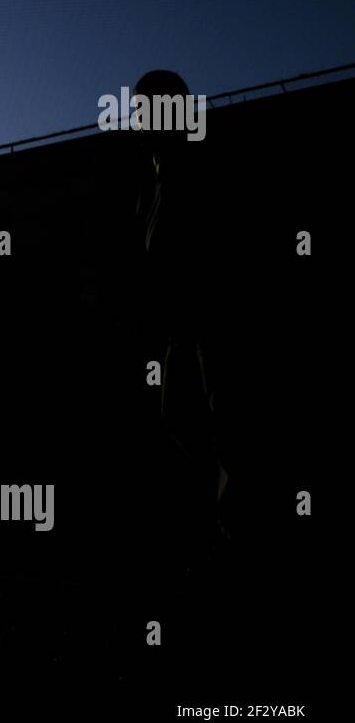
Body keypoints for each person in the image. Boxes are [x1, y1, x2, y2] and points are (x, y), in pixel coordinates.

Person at [132, 69, 229, 571]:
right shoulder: (154, 181)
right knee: (182, 422)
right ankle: (212, 527)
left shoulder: (197, 166)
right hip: (180, 333)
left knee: (222, 428)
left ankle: (229, 534)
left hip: (212, 326)